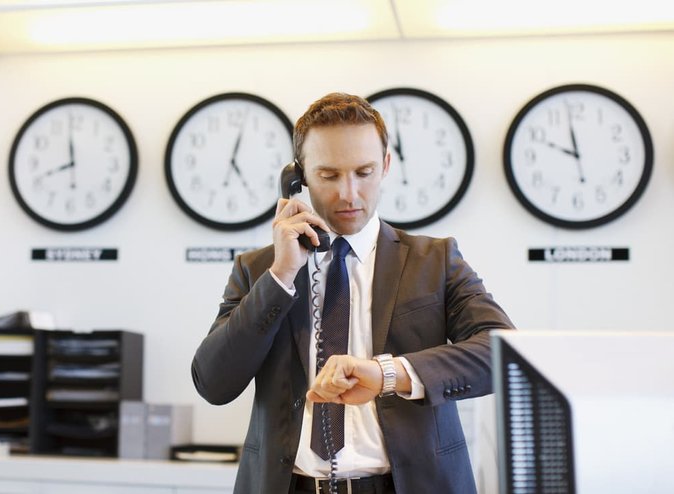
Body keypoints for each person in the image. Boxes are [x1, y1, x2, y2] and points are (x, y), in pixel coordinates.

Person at [191, 92, 514, 494]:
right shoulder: (259, 270)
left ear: (386, 166)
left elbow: (501, 352)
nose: (348, 193)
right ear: (299, 177)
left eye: (364, 172)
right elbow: (213, 383)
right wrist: (282, 274)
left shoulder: (435, 259)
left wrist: (387, 374)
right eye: (328, 175)